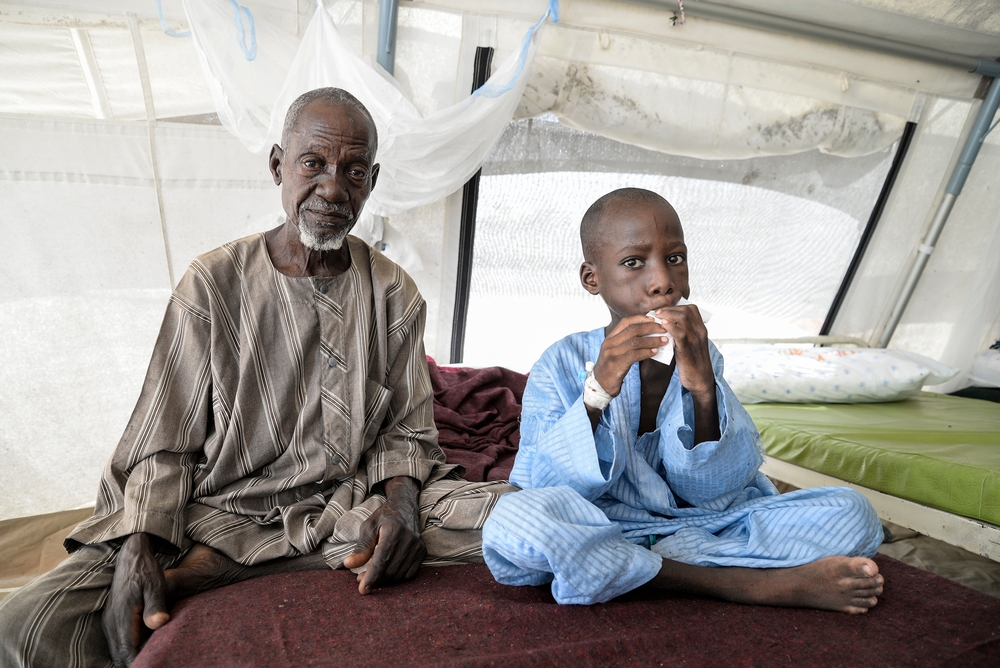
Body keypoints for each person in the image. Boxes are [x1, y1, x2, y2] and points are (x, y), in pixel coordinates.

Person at [0, 88, 513, 668]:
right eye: (312, 163)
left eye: (353, 171)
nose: (332, 189)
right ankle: (217, 561)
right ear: (277, 166)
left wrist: (400, 510)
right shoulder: (213, 284)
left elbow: (407, 434)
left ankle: (221, 570)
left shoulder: (394, 292)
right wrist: (137, 549)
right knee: (24, 627)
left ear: (371, 181)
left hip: (347, 507)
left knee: (517, 519)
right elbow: (162, 443)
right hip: (214, 512)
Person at [481, 187, 885, 613]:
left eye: (674, 258)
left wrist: (702, 386)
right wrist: (598, 389)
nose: (663, 282)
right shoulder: (561, 360)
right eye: (633, 262)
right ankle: (748, 584)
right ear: (592, 278)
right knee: (513, 520)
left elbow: (714, 488)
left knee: (854, 513)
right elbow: (541, 486)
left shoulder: (703, 354)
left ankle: (635, 569)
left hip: (707, 524)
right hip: (603, 522)